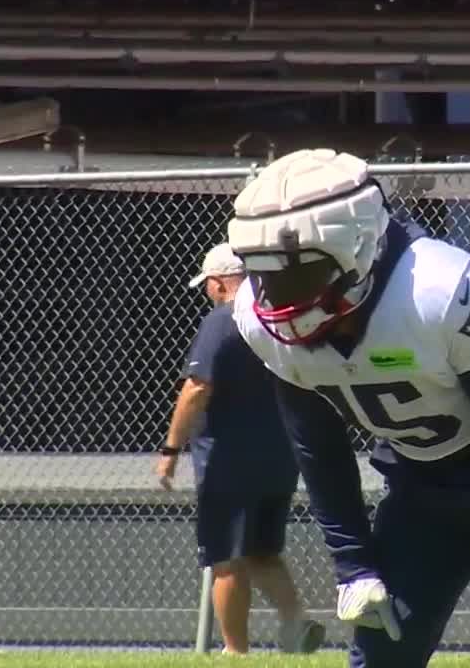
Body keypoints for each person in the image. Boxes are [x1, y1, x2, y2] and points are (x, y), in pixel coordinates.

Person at [225, 149, 470, 668]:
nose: (274, 298)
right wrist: (353, 563)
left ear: (356, 249)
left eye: (296, 276)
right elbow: (317, 446)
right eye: (262, 275)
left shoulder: (436, 290)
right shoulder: (258, 321)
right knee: (384, 647)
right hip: (427, 471)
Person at [155, 243, 325, 655]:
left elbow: (197, 387)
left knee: (225, 560)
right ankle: (295, 623)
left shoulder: (221, 321)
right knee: (261, 550)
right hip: (280, 456)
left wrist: (170, 449)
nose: (207, 292)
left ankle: (235, 652)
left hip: (228, 461)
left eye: (208, 285)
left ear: (219, 283)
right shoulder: (279, 318)